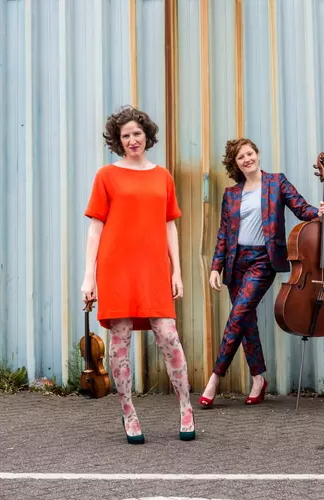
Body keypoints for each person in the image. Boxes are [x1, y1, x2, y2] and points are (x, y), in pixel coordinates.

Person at [81, 105, 195, 444]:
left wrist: (177, 271)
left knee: (168, 336)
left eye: (137, 134)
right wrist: (89, 277)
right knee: (119, 343)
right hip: (116, 269)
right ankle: (128, 412)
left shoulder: (162, 176)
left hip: (154, 269)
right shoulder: (106, 176)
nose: (132, 140)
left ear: (147, 136)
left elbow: (170, 226)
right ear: (118, 140)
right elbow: (95, 231)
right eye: (126, 135)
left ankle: (186, 409)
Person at [199, 138, 324, 408]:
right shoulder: (232, 194)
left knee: (236, 317)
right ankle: (259, 379)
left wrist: (318, 211)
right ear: (235, 164)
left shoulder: (276, 182)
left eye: (250, 153)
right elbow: (224, 234)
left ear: (257, 155)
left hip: (263, 261)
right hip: (236, 262)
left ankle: (214, 378)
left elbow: (300, 207)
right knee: (246, 323)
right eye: (241, 157)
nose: (247, 159)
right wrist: (216, 267)